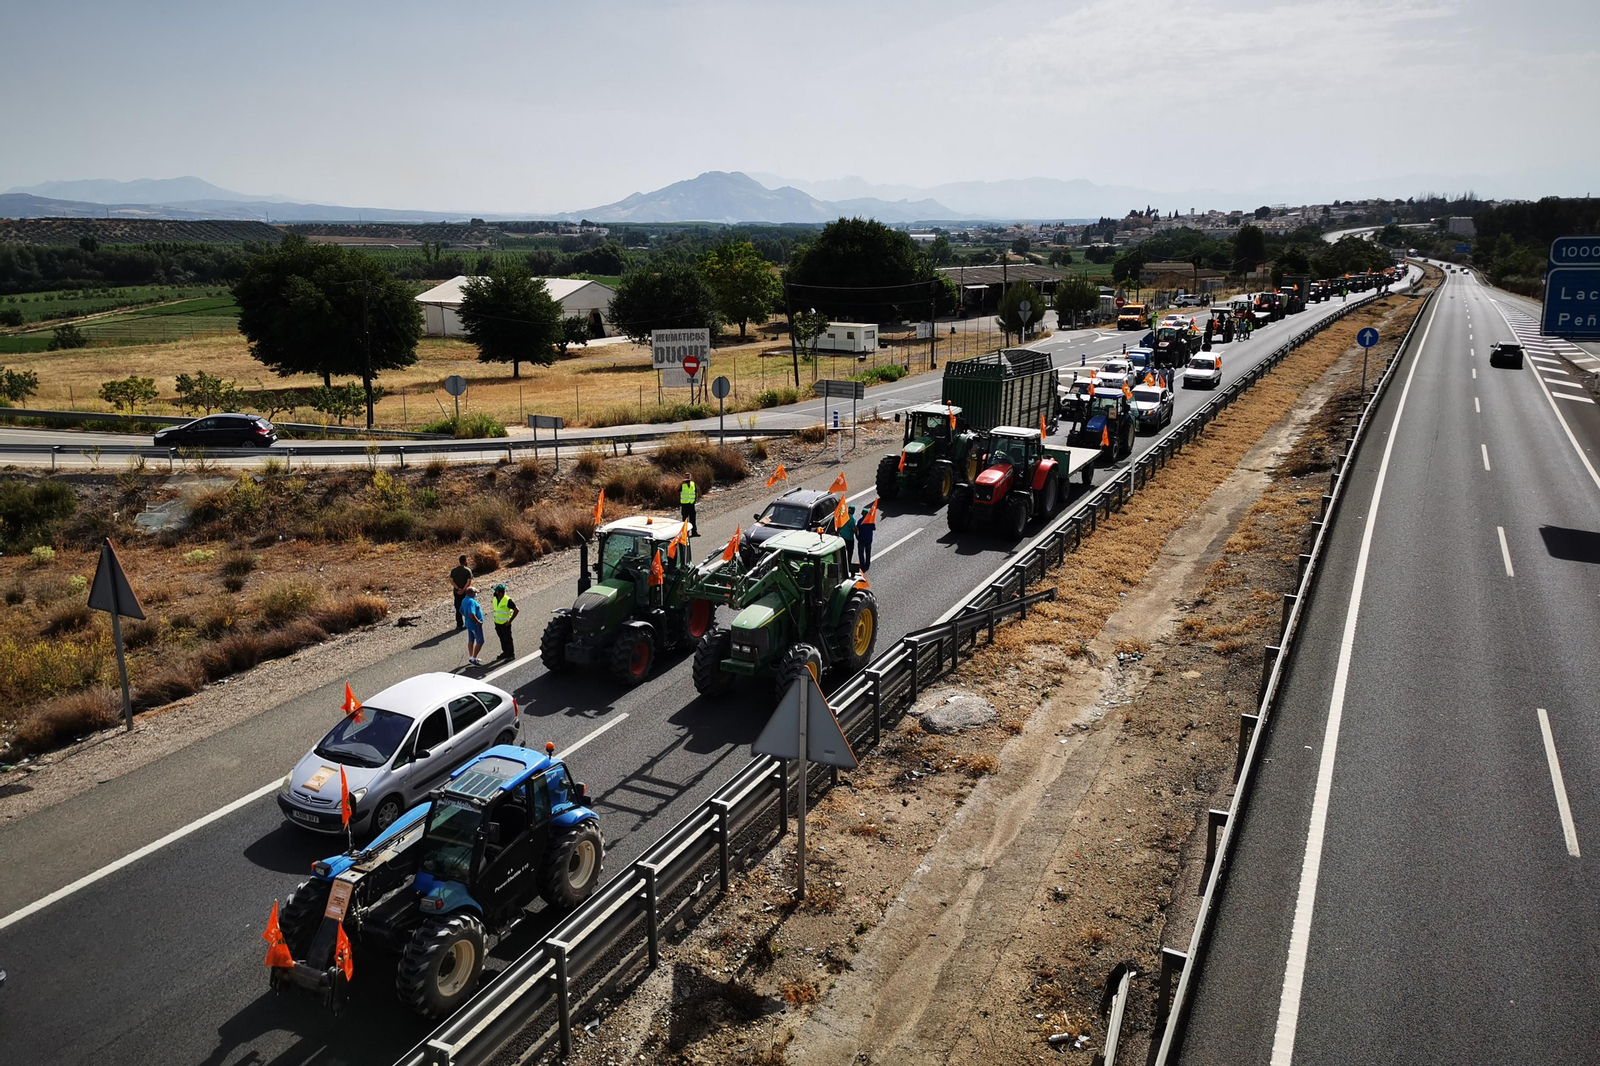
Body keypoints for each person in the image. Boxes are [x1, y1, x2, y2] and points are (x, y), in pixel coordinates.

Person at [490, 583, 519, 660]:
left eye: (497, 591)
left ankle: (511, 654)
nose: (495, 592)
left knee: (508, 639)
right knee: (502, 639)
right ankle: (505, 652)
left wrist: (510, 621)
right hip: (497, 623)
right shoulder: (495, 599)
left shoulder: (507, 600)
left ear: (501, 592)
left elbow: (516, 610)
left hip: (505, 624)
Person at [460, 584, 485, 666]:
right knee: (480, 641)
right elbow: (471, 613)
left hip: (468, 624)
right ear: (471, 593)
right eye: (475, 592)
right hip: (475, 625)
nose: (476, 594)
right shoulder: (471, 601)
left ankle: (471, 656)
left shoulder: (464, 600)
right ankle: (473, 658)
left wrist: (466, 617)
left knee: (471, 640)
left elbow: (461, 611)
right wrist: (478, 621)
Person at [450, 555, 473, 630]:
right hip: (465, 592)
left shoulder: (454, 570)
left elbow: (451, 580)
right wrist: (463, 589)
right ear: (465, 561)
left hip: (456, 592)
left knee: (458, 608)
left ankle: (459, 624)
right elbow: (468, 582)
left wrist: (457, 588)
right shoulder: (467, 570)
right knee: (467, 607)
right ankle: (468, 622)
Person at [856, 503, 876, 572]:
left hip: (862, 539)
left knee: (861, 552)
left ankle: (862, 565)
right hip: (869, 539)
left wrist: (857, 537)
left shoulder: (860, 521)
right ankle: (867, 564)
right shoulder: (871, 520)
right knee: (868, 551)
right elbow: (874, 528)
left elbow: (857, 529)